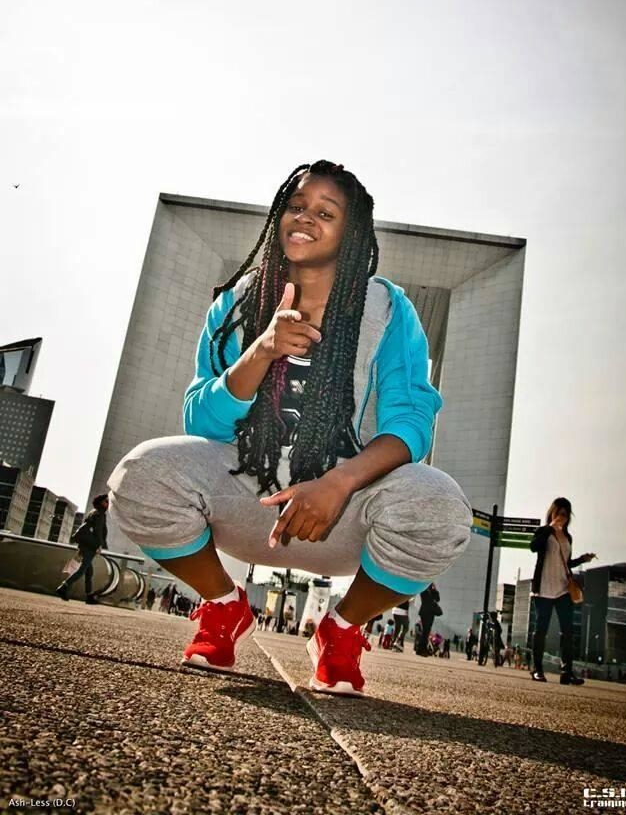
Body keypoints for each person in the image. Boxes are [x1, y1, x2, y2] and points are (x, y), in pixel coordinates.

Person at [107, 160, 471, 697]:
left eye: (325, 212)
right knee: (141, 472)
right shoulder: (238, 302)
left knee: (440, 505)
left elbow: (411, 423)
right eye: (297, 206)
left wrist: (339, 482)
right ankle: (224, 606)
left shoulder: (388, 310)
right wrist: (262, 350)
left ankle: (340, 630)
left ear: (351, 232)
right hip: (246, 500)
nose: (305, 218)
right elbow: (199, 420)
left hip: (341, 513)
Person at [529, 497, 597, 684]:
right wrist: (550, 527)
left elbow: (566, 563)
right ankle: (537, 670)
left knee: (567, 631)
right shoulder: (543, 532)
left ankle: (567, 672)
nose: (562, 517)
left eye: (565, 515)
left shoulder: (568, 537)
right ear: (552, 513)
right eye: (559, 513)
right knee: (541, 630)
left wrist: (582, 559)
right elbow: (533, 547)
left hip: (562, 589)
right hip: (543, 589)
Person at [56, 493, 109, 604]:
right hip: (91, 545)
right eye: (106, 501)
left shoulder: (93, 512)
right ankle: (63, 587)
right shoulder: (100, 514)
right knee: (82, 569)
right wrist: (99, 545)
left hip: (85, 543)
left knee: (89, 572)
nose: (108, 503)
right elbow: (98, 531)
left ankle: (89, 596)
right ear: (101, 502)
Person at [416, 583, 441, 656]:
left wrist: (434, 590)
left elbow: (438, 599)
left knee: (426, 632)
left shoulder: (426, 591)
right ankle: (422, 649)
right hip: (427, 613)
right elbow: (434, 599)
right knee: (425, 632)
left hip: (428, 613)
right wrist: (434, 590)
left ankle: (420, 649)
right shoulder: (425, 591)